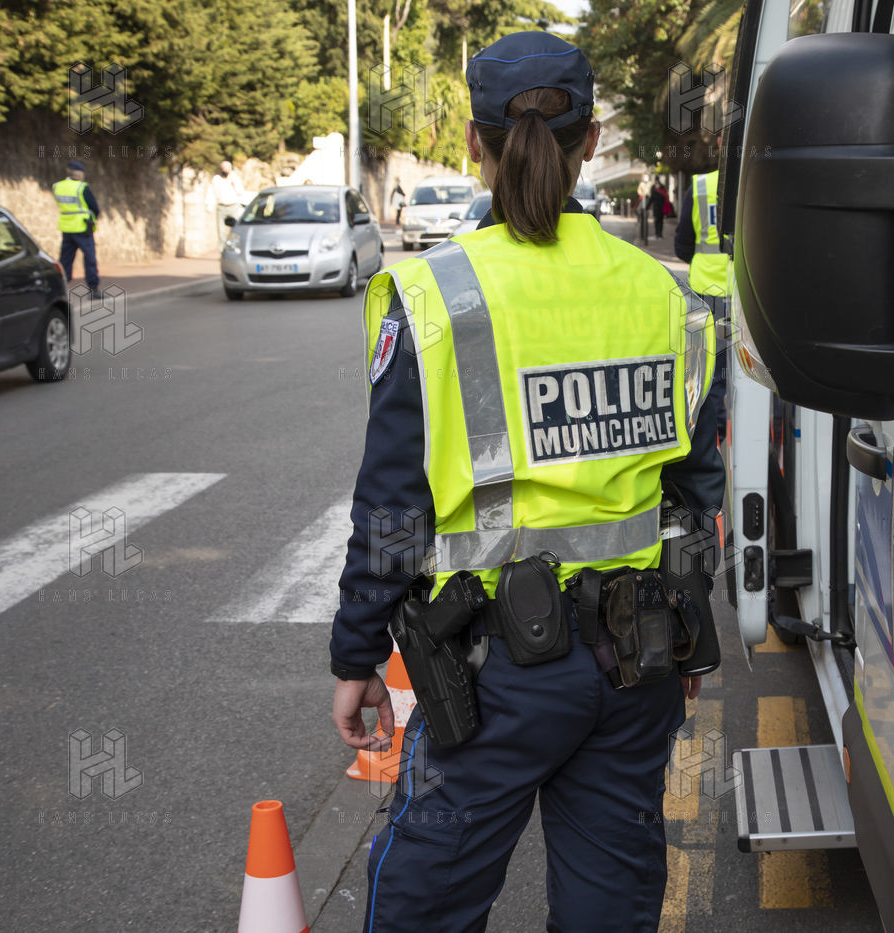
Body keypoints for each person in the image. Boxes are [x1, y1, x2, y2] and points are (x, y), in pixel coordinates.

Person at [328, 30, 723, 933]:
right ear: (592, 141)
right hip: (636, 661)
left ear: (476, 143)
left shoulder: (438, 296)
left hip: (494, 677)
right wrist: (690, 641)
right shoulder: (665, 294)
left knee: (424, 908)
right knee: (610, 910)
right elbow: (695, 492)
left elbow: (394, 507)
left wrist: (356, 656)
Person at [675, 167, 731, 440]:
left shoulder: (700, 186)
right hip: (746, 293)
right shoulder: (761, 177)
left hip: (705, 293)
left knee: (707, 375)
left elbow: (682, 245)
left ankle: (714, 440)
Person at [52, 159, 100, 299]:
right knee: (89, 259)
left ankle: (60, 290)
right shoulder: (81, 187)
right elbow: (94, 208)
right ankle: (93, 289)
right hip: (82, 228)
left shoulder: (57, 186)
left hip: (67, 228)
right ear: (78, 173)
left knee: (65, 260)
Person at [207, 159, 246, 248]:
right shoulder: (217, 179)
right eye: (224, 168)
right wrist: (209, 206)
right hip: (221, 207)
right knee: (221, 231)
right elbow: (211, 192)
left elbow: (240, 192)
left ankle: (236, 247)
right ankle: (223, 250)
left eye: (227, 168)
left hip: (234, 206)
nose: (225, 170)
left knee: (236, 229)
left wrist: (233, 183)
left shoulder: (235, 178)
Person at [636, 173, 652, 245]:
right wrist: (642, 194)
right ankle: (642, 237)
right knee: (642, 219)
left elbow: (651, 191)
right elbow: (639, 191)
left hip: (648, 200)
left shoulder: (650, 184)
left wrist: (649, 195)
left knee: (645, 220)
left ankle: (645, 239)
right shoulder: (641, 184)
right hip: (643, 200)